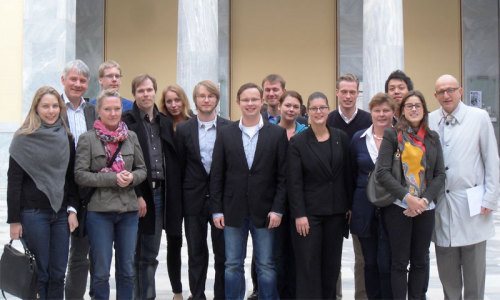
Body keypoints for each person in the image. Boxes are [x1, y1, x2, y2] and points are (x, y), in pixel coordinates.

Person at [210, 83, 287, 300]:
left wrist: (278, 209)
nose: (250, 104)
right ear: (238, 102)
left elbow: (283, 177)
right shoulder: (226, 134)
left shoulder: (277, 134)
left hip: (266, 213)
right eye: (246, 100)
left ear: (262, 101)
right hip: (233, 211)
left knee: (266, 265)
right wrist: (217, 210)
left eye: (254, 99)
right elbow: (217, 175)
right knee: (233, 265)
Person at [429, 74, 499, 299]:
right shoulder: (430, 120)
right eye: (441, 91)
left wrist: (490, 198)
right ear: (435, 95)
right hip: (442, 204)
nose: (446, 95)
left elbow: (491, 159)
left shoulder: (478, 117)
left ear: (460, 91)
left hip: (473, 205)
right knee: (447, 275)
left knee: (474, 274)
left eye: (451, 90)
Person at [74, 89, 147, 299]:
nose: (113, 113)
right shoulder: (87, 139)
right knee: (101, 271)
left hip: (128, 212)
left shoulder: (130, 137)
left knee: (126, 270)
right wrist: (112, 178)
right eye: (108, 109)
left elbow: (142, 170)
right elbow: (79, 175)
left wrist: (132, 178)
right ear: (99, 111)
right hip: (100, 213)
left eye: (117, 109)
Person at [7, 86, 78, 299]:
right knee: (41, 274)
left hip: (60, 215)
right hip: (33, 214)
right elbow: (14, 182)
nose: (51, 111)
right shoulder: (22, 138)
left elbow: (71, 179)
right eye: (45, 106)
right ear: (36, 108)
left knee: (58, 274)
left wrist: (73, 210)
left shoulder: (66, 138)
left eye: (55, 106)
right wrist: (14, 221)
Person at [377, 91, 445, 299]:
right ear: (402, 111)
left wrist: (424, 200)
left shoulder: (432, 138)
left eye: (418, 105)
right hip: (400, 208)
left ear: (424, 110)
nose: (414, 109)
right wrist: (408, 198)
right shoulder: (392, 135)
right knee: (399, 262)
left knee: (420, 261)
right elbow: (382, 172)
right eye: (409, 106)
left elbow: (440, 174)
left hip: (426, 208)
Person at [121, 74, 183, 300]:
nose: (145, 94)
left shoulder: (165, 122)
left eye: (149, 90)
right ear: (134, 94)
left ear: (154, 92)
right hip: (137, 193)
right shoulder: (126, 121)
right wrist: (136, 194)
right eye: (140, 91)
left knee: (150, 254)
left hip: (161, 194)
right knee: (133, 255)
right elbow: (123, 161)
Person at [287, 91, 350, 299]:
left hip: (335, 213)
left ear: (329, 110)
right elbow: (294, 183)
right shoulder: (298, 142)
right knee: (309, 267)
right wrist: (299, 214)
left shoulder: (341, 137)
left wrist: (348, 207)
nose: (318, 112)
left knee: (331, 267)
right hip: (309, 216)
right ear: (307, 112)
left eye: (322, 107)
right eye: (314, 108)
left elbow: (346, 175)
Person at [176, 80, 231, 300]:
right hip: (193, 200)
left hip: (222, 202)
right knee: (196, 254)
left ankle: (221, 296)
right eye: (201, 96)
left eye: (210, 96)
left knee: (223, 255)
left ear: (217, 99)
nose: (206, 100)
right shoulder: (183, 129)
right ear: (195, 99)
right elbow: (180, 166)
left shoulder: (229, 127)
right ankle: (197, 295)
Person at [326, 73, 371, 299]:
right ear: (337, 93)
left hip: (361, 199)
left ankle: (361, 296)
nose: (348, 96)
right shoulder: (326, 119)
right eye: (343, 91)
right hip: (332, 199)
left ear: (357, 94)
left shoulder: (369, 121)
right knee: (332, 257)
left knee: (362, 257)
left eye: (352, 92)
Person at [349, 93, 396, 299]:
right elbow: (350, 174)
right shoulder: (359, 139)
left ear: (393, 113)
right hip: (363, 208)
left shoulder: (401, 138)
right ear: (371, 113)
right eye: (377, 110)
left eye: (386, 110)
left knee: (386, 263)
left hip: (393, 207)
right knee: (369, 263)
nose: (381, 114)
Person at [61, 59, 99, 300]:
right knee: (55, 252)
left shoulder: (92, 111)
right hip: (59, 186)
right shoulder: (53, 107)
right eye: (73, 79)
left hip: (86, 189)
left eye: (82, 80)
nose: (77, 84)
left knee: (82, 251)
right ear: (63, 80)